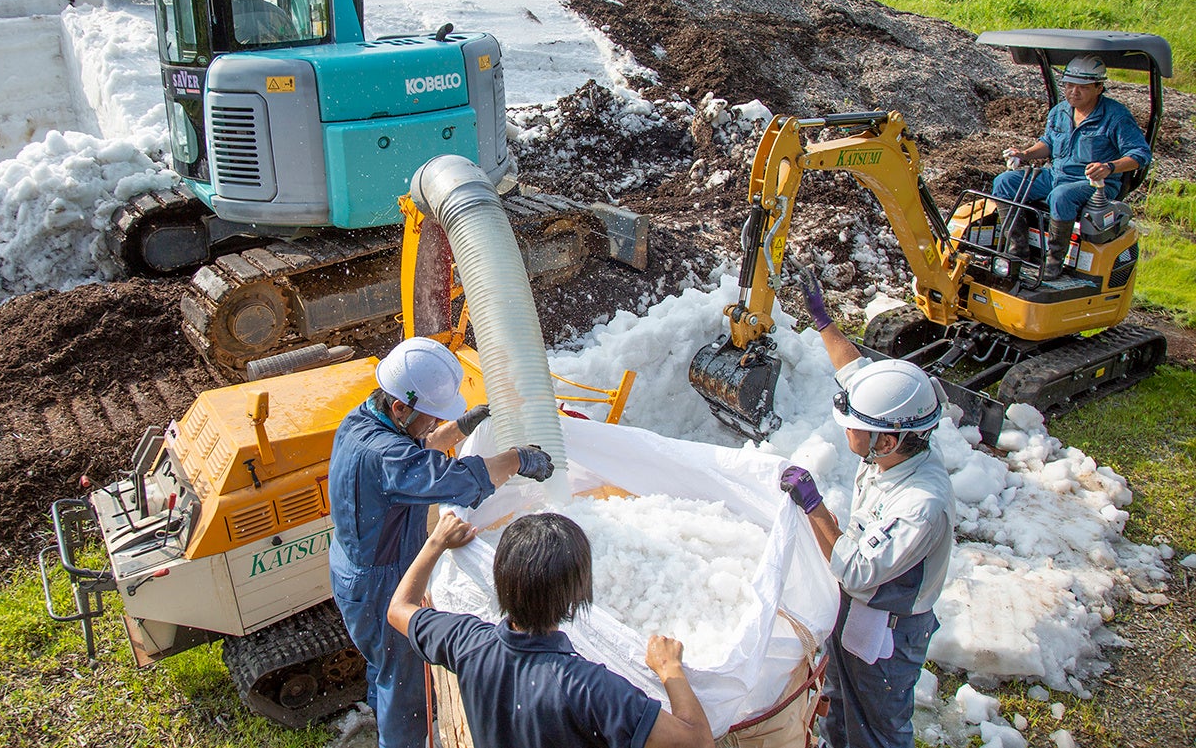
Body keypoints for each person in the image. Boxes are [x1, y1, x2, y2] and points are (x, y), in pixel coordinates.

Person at [328, 336, 555, 748]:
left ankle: (380, 715)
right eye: (431, 415)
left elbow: (415, 450)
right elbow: (460, 480)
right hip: (381, 581)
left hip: (358, 566)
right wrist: (519, 458)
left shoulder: (364, 420)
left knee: (384, 666)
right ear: (400, 406)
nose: (434, 424)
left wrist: (461, 427)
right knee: (406, 683)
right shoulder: (386, 455)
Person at [780, 269, 956, 748]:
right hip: (860, 614)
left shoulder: (920, 503)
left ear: (887, 439)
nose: (845, 432)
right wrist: (821, 320)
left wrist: (814, 507)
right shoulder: (896, 440)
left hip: (889, 630)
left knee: (878, 727)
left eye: (853, 427)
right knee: (840, 708)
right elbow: (854, 369)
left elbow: (858, 571)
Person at [387, 511, 715, 748]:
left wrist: (436, 543)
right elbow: (698, 742)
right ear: (577, 597)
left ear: (500, 582)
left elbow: (399, 609)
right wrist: (669, 669)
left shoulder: (468, 642)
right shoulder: (592, 689)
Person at [991, 54, 1151, 278]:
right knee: (1004, 182)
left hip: (1094, 184)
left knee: (1061, 196)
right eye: (1069, 85)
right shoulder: (1060, 111)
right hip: (1056, 175)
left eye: (1082, 87)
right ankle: (1019, 250)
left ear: (1098, 87)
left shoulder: (1116, 117)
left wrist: (1109, 167)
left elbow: (1140, 154)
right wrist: (1024, 154)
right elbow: (1048, 143)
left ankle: (1054, 262)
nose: (1073, 92)